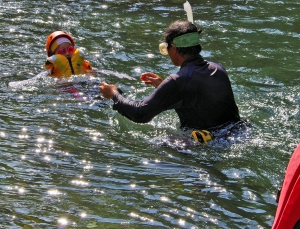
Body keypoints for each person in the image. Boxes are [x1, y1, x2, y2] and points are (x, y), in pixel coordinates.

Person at [99, 20, 242, 143]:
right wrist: (163, 87)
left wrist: (114, 94)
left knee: (159, 145)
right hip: (239, 134)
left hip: (209, 144)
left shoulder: (178, 81)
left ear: (173, 49)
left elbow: (140, 113)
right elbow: (202, 101)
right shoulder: (218, 69)